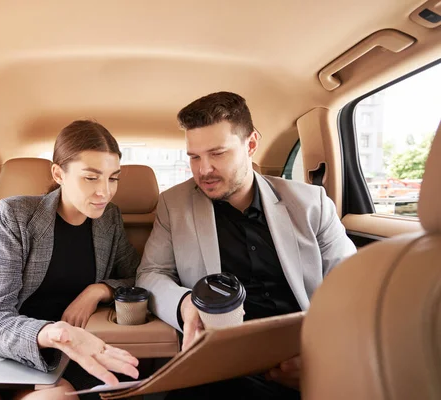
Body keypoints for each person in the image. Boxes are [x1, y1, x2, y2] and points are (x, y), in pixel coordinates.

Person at [136, 91, 357, 399]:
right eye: (194, 157)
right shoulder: (174, 205)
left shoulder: (311, 204)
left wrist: (322, 357)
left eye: (218, 153)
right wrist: (186, 304)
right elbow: (150, 273)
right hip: (218, 361)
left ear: (251, 144)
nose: (204, 170)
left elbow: (353, 289)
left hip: (303, 355)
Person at [0, 120, 141, 400]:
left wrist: (98, 290)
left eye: (113, 178)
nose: (104, 191)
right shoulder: (16, 214)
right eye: (91, 177)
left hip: (65, 356)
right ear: (59, 174)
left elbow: (138, 276)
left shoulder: (109, 219)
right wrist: (54, 332)